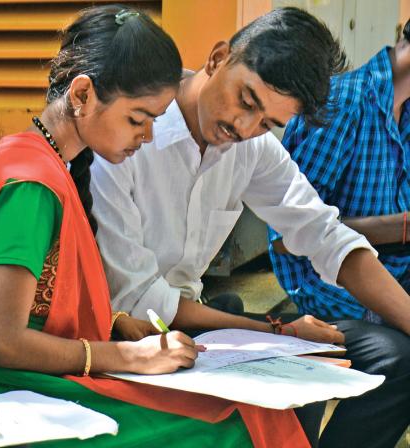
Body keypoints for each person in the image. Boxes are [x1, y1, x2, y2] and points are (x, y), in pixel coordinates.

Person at [0, 6, 311, 447]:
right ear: (81, 95)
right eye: (138, 119)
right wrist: (126, 356)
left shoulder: (45, 163)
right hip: (4, 381)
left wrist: (115, 322)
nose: (148, 136)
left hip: (30, 366)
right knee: (236, 422)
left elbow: (41, 302)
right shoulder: (32, 184)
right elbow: (4, 342)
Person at [89, 7, 410, 448]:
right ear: (219, 58)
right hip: (130, 332)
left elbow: (324, 234)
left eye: (269, 123)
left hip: (196, 318)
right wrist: (280, 333)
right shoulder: (130, 130)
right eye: (246, 100)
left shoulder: (251, 146)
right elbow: (143, 301)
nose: (244, 127)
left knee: (396, 355)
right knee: (296, 383)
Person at [269, 19, 410, 325]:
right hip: (330, 287)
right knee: (397, 357)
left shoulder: (404, 114)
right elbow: (286, 237)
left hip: (394, 272)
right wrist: (399, 227)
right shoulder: (345, 103)